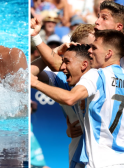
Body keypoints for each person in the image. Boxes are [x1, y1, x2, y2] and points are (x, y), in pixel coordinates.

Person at [32, 29, 124, 168]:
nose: (90, 51)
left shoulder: (97, 75)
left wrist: (35, 83)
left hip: (99, 162)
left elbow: (70, 98)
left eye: (94, 47)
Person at [31, 23, 95, 168]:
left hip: (101, 157)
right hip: (78, 155)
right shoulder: (64, 78)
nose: (94, 52)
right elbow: (27, 74)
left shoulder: (102, 75)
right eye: (90, 48)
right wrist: (55, 51)